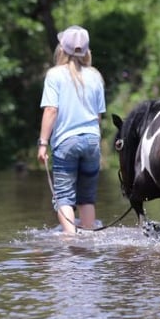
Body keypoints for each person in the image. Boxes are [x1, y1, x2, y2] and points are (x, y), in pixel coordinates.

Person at [37, 25, 106, 234]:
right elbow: (98, 116)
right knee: (87, 198)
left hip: (66, 142)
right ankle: (87, 239)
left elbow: (51, 110)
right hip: (92, 141)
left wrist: (42, 143)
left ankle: (70, 239)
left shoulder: (54, 75)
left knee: (64, 196)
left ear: (62, 49)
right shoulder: (96, 76)